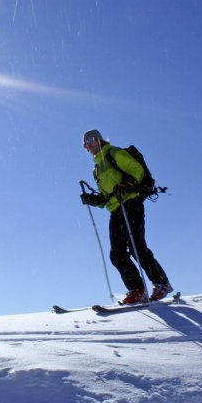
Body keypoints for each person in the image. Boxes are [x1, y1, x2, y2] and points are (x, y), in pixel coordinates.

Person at [80, 129, 173, 304]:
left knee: (137, 247)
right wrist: (92, 200)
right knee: (116, 254)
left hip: (131, 203)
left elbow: (137, 170)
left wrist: (127, 183)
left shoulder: (114, 153)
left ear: (99, 140)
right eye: (85, 143)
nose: (88, 144)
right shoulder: (97, 169)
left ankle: (161, 284)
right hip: (115, 210)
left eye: (91, 140)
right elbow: (106, 198)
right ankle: (137, 290)